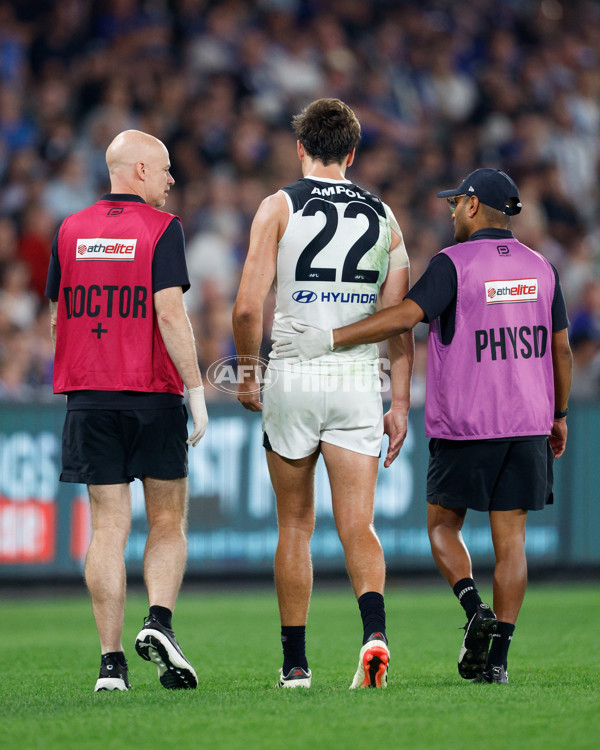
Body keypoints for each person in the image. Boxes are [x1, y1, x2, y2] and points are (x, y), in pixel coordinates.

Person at [274, 168, 573, 684]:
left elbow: (401, 317)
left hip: (467, 425)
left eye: (457, 203)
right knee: (513, 543)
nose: (452, 210)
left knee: (441, 526)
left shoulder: (452, 264)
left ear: (475, 206)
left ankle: (473, 607)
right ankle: (497, 661)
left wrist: (331, 338)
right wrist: (560, 413)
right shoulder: (542, 268)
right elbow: (561, 347)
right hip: (528, 423)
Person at [232, 98, 414, 689]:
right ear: (353, 153)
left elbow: (244, 307)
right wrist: (400, 403)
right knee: (357, 525)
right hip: (358, 379)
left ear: (301, 149)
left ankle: (295, 666)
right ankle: (375, 633)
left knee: (295, 527)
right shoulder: (384, 215)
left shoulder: (279, 205)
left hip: (294, 373)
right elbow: (400, 321)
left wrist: (248, 372)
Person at [45, 130, 208, 692]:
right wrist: (196, 390)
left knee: (108, 528)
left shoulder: (68, 230)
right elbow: (169, 313)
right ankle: (158, 621)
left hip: (89, 399)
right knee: (166, 522)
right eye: (164, 169)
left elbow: (57, 317)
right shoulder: (163, 229)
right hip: (153, 395)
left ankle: (111, 666)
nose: (170, 179)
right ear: (139, 170)